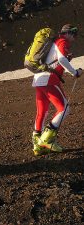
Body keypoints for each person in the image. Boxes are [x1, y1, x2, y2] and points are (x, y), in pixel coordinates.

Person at [32, 24, 82, 156]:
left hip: (38, 78)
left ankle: (37, 144)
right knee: (64, 109)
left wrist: (66, 60)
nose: (75, 38)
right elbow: (61, 59)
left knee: (42, 111)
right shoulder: (62, 41)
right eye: (74, 35)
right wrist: (75, 72)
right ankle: (46, 140)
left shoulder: (54, 43)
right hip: (49, 79)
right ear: (69, 33)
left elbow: (56, 60)